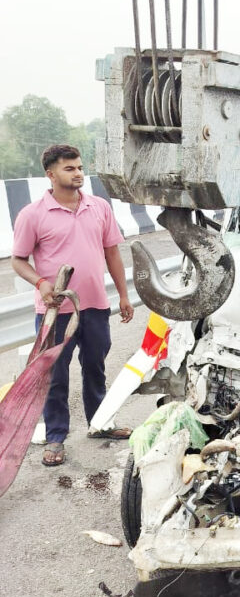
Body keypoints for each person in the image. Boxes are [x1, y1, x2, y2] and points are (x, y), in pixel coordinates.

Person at [11, 145, 135, 467]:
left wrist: (123, 295)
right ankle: (56, 435)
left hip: (95, 305)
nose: (78, 173)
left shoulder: (99, 207)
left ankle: (100, 422)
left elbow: (112, 252)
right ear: (50, 174)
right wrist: (41, 283)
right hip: (55, 311)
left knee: (95, 366)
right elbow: (18, 260)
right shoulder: (33, 214)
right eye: (69, 168)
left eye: (79, 167)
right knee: (55, 375)